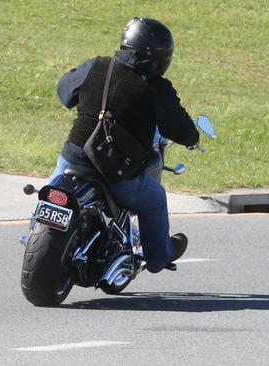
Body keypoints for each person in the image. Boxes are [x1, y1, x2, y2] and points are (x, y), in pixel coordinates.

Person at [49, 18, 200, 273]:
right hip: (114, 171)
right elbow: (179, 129)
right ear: (159, 56)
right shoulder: (156, 87)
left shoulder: (97, 66)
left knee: (52, 196)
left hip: (73, 158)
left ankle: (35, 228)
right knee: (154, 199)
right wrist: (193, 139)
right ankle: (158, 256)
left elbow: (65, 93)